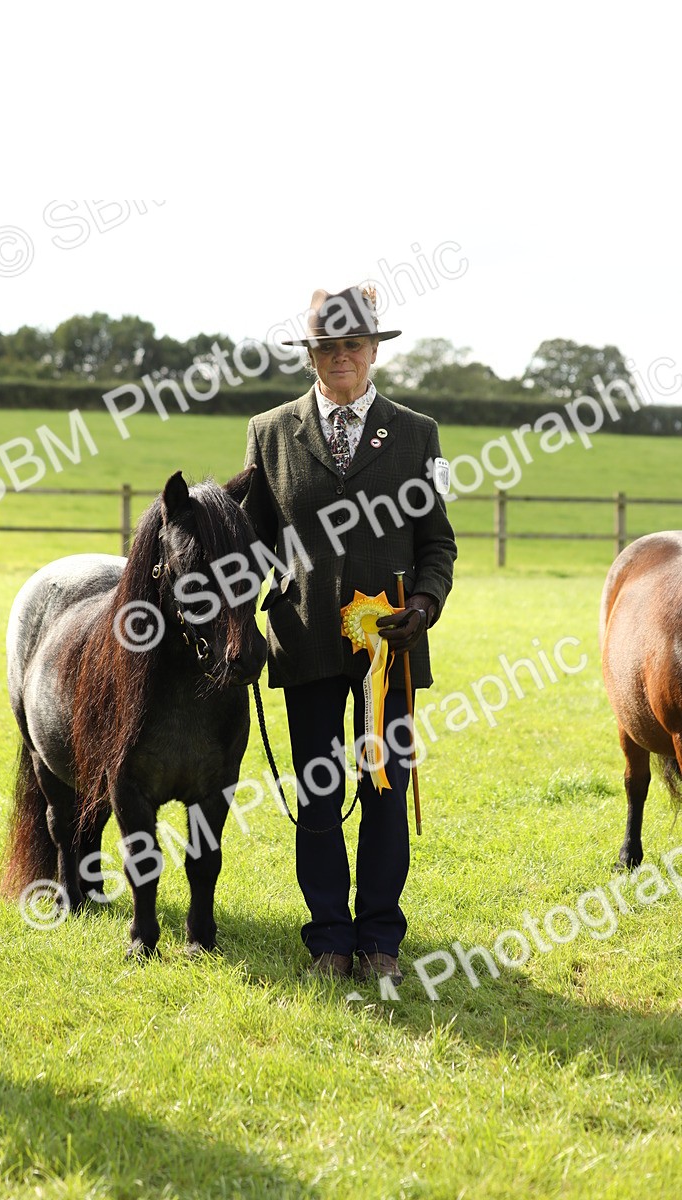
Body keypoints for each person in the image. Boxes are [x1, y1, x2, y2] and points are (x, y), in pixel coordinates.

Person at [244, 285, 457, 983]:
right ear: (310, 356)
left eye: (353, 346)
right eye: (327, 348)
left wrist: (423, 604)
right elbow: (255, 546)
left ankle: (380, 942)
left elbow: (437, 544)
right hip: (303, 642)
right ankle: (330, 940)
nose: (341, 358)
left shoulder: (418, 433)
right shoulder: (269, 432)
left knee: (384, 790)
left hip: (388, 651)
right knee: (318, 796)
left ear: (372, 352)